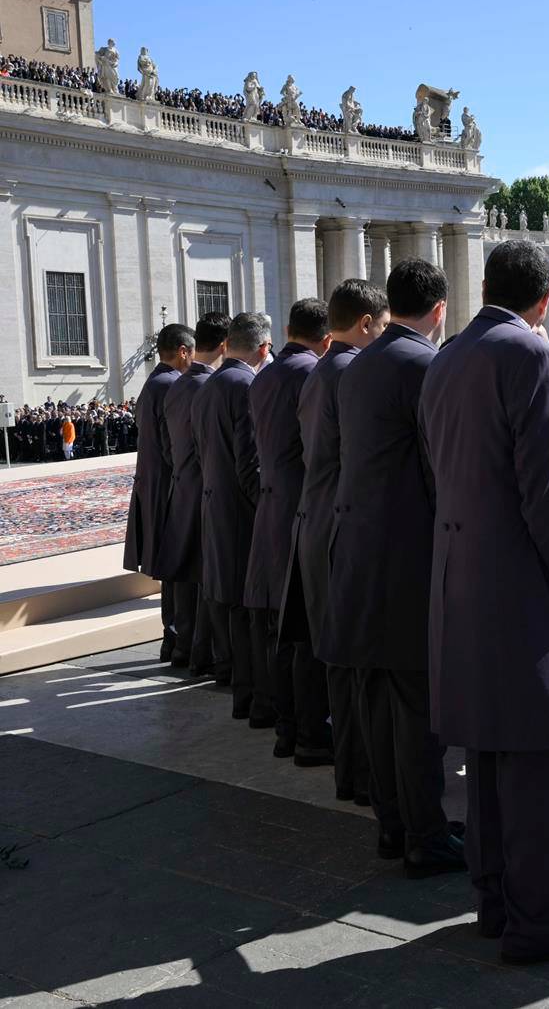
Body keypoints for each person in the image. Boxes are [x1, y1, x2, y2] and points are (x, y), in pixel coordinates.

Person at [420, 240, 549, 964]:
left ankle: (496, 902)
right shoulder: (532, 357)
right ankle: (539, 923)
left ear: (485, 286)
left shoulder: (445, 358)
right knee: (537, 769)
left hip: (461, 585)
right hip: (524, 594)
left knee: (490, 763)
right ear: (546, 298)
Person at [324, 259, 463, 877]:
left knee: (376, 700)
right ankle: (426, 837)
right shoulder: (424, 365)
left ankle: (392, 825)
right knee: (416, 706)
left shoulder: (357, 365)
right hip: (407, 554)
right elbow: (440, 469)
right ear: (438, 310)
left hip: (357, 548)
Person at [283, 280, 389, 807]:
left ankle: (352, 771)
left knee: (340, 661)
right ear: (367, 323)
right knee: (355, 663)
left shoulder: (324, 368)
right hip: (339, 525)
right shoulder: (353, 371)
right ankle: (363, 774)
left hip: (316, 520)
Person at [243, 299, 332, 764]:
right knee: (307, 635)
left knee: (280, 630)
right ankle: (311, 733)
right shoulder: (312, 375)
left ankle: (287, 728)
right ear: (326, 338)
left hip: (271, 511)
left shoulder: (265, 377)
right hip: (304, 514)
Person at [194, 313, 272, 723]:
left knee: (235, 616)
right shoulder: (245, 385)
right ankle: (258, 700)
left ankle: (245, 697)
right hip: (242, 515)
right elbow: (249, 463)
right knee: (250, 616)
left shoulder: (209, 386)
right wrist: (267, 506)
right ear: (262, 349)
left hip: (216, 509)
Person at [154, 312, 229, 676]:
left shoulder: (177, 385)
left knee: (185, 578)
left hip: (182, 487)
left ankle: (183, 646)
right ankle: (204, 653)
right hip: (206, 491)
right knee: (204, 580)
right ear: (226, 344)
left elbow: (168, 448)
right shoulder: (211, 387)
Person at [124, 322, 191, 662]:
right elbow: (171, 445)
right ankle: (178, 639)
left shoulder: (153, 382)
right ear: (183, 352)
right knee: (178, 567)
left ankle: (172, 637)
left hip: (152, 485)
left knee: (169, 570)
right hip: (169, 487)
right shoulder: (172, 385)